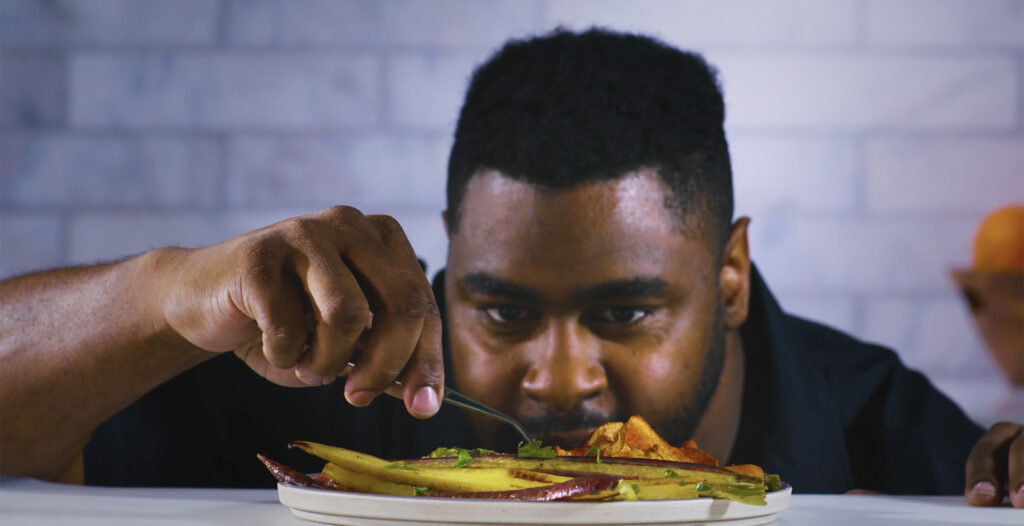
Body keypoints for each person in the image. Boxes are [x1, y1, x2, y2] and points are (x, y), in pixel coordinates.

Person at [0, 28, 1020, 507]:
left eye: (624, 314)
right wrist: (164, 295)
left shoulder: (884, 433)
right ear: (447, 259)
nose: (561, 380)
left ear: (730, 273)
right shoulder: (325, 376)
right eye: (500, 311)